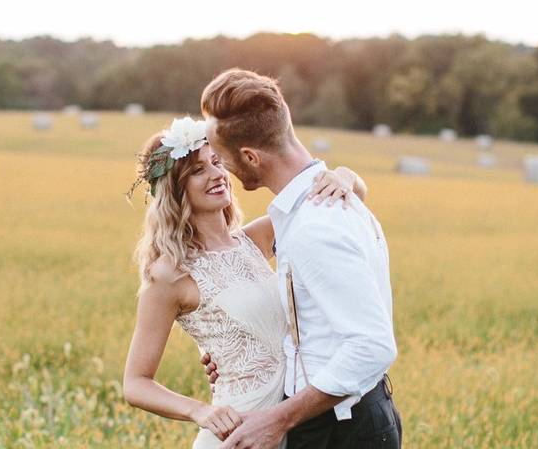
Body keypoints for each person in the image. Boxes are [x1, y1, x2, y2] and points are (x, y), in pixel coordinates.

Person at [122, 116, 369, 449]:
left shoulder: (258, 238)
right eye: (197, 171)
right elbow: (135, 383)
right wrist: (199, 411)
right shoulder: (169, 274)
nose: (216, 175)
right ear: (175, 190)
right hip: (237, 430)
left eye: (216, 162)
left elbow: (349, 197)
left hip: (293, 422)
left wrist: (342, 176)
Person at [200, 69, 401, 449]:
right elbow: (312, 324)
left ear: (249, 156)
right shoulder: (311, 206)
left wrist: (277, 420)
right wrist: (238, 351)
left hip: (342, 431)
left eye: (222, 160)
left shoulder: (314, 226)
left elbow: (372, 346)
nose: (222, 170)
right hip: (333, 421)